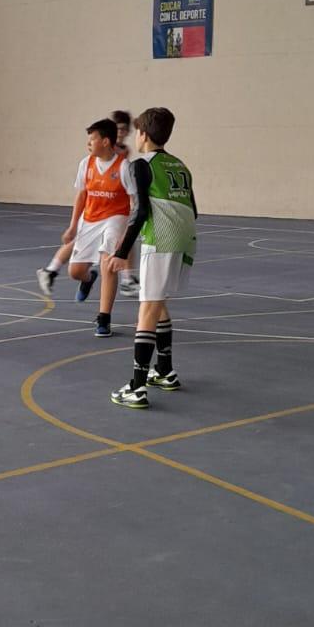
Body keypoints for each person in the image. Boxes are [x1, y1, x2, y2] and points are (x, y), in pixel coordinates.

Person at [106, 107, 197, 408]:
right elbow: (193, 208)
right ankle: (165, 371)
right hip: (185, 237)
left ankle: (136, 387)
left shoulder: (140, 164)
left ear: (142, 134)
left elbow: (140, 212)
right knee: (159, 303)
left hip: (161, 238)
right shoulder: (180, 165)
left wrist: (120, 253)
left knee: (146, 309)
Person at [36, 120, 129, 336]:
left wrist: (126, 234)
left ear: (105, 142)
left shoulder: (124, 167)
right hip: (90, 219)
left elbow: (134, 202)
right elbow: (81, 195)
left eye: (92, 139)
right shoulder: (86, 164)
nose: (88, 143)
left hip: (115, 218)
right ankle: (89, 279)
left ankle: (104, 318)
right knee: (75, 272)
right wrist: (72, 226)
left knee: (108, 264)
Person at [112, 109, 139, 298]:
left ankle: (127, 279)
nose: (121, 133)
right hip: (106, 202)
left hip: (121, 200)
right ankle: (52, 269)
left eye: (124, 129)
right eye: (118, 129)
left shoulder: (125, 150)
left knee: (128, 239)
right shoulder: (107, 147)